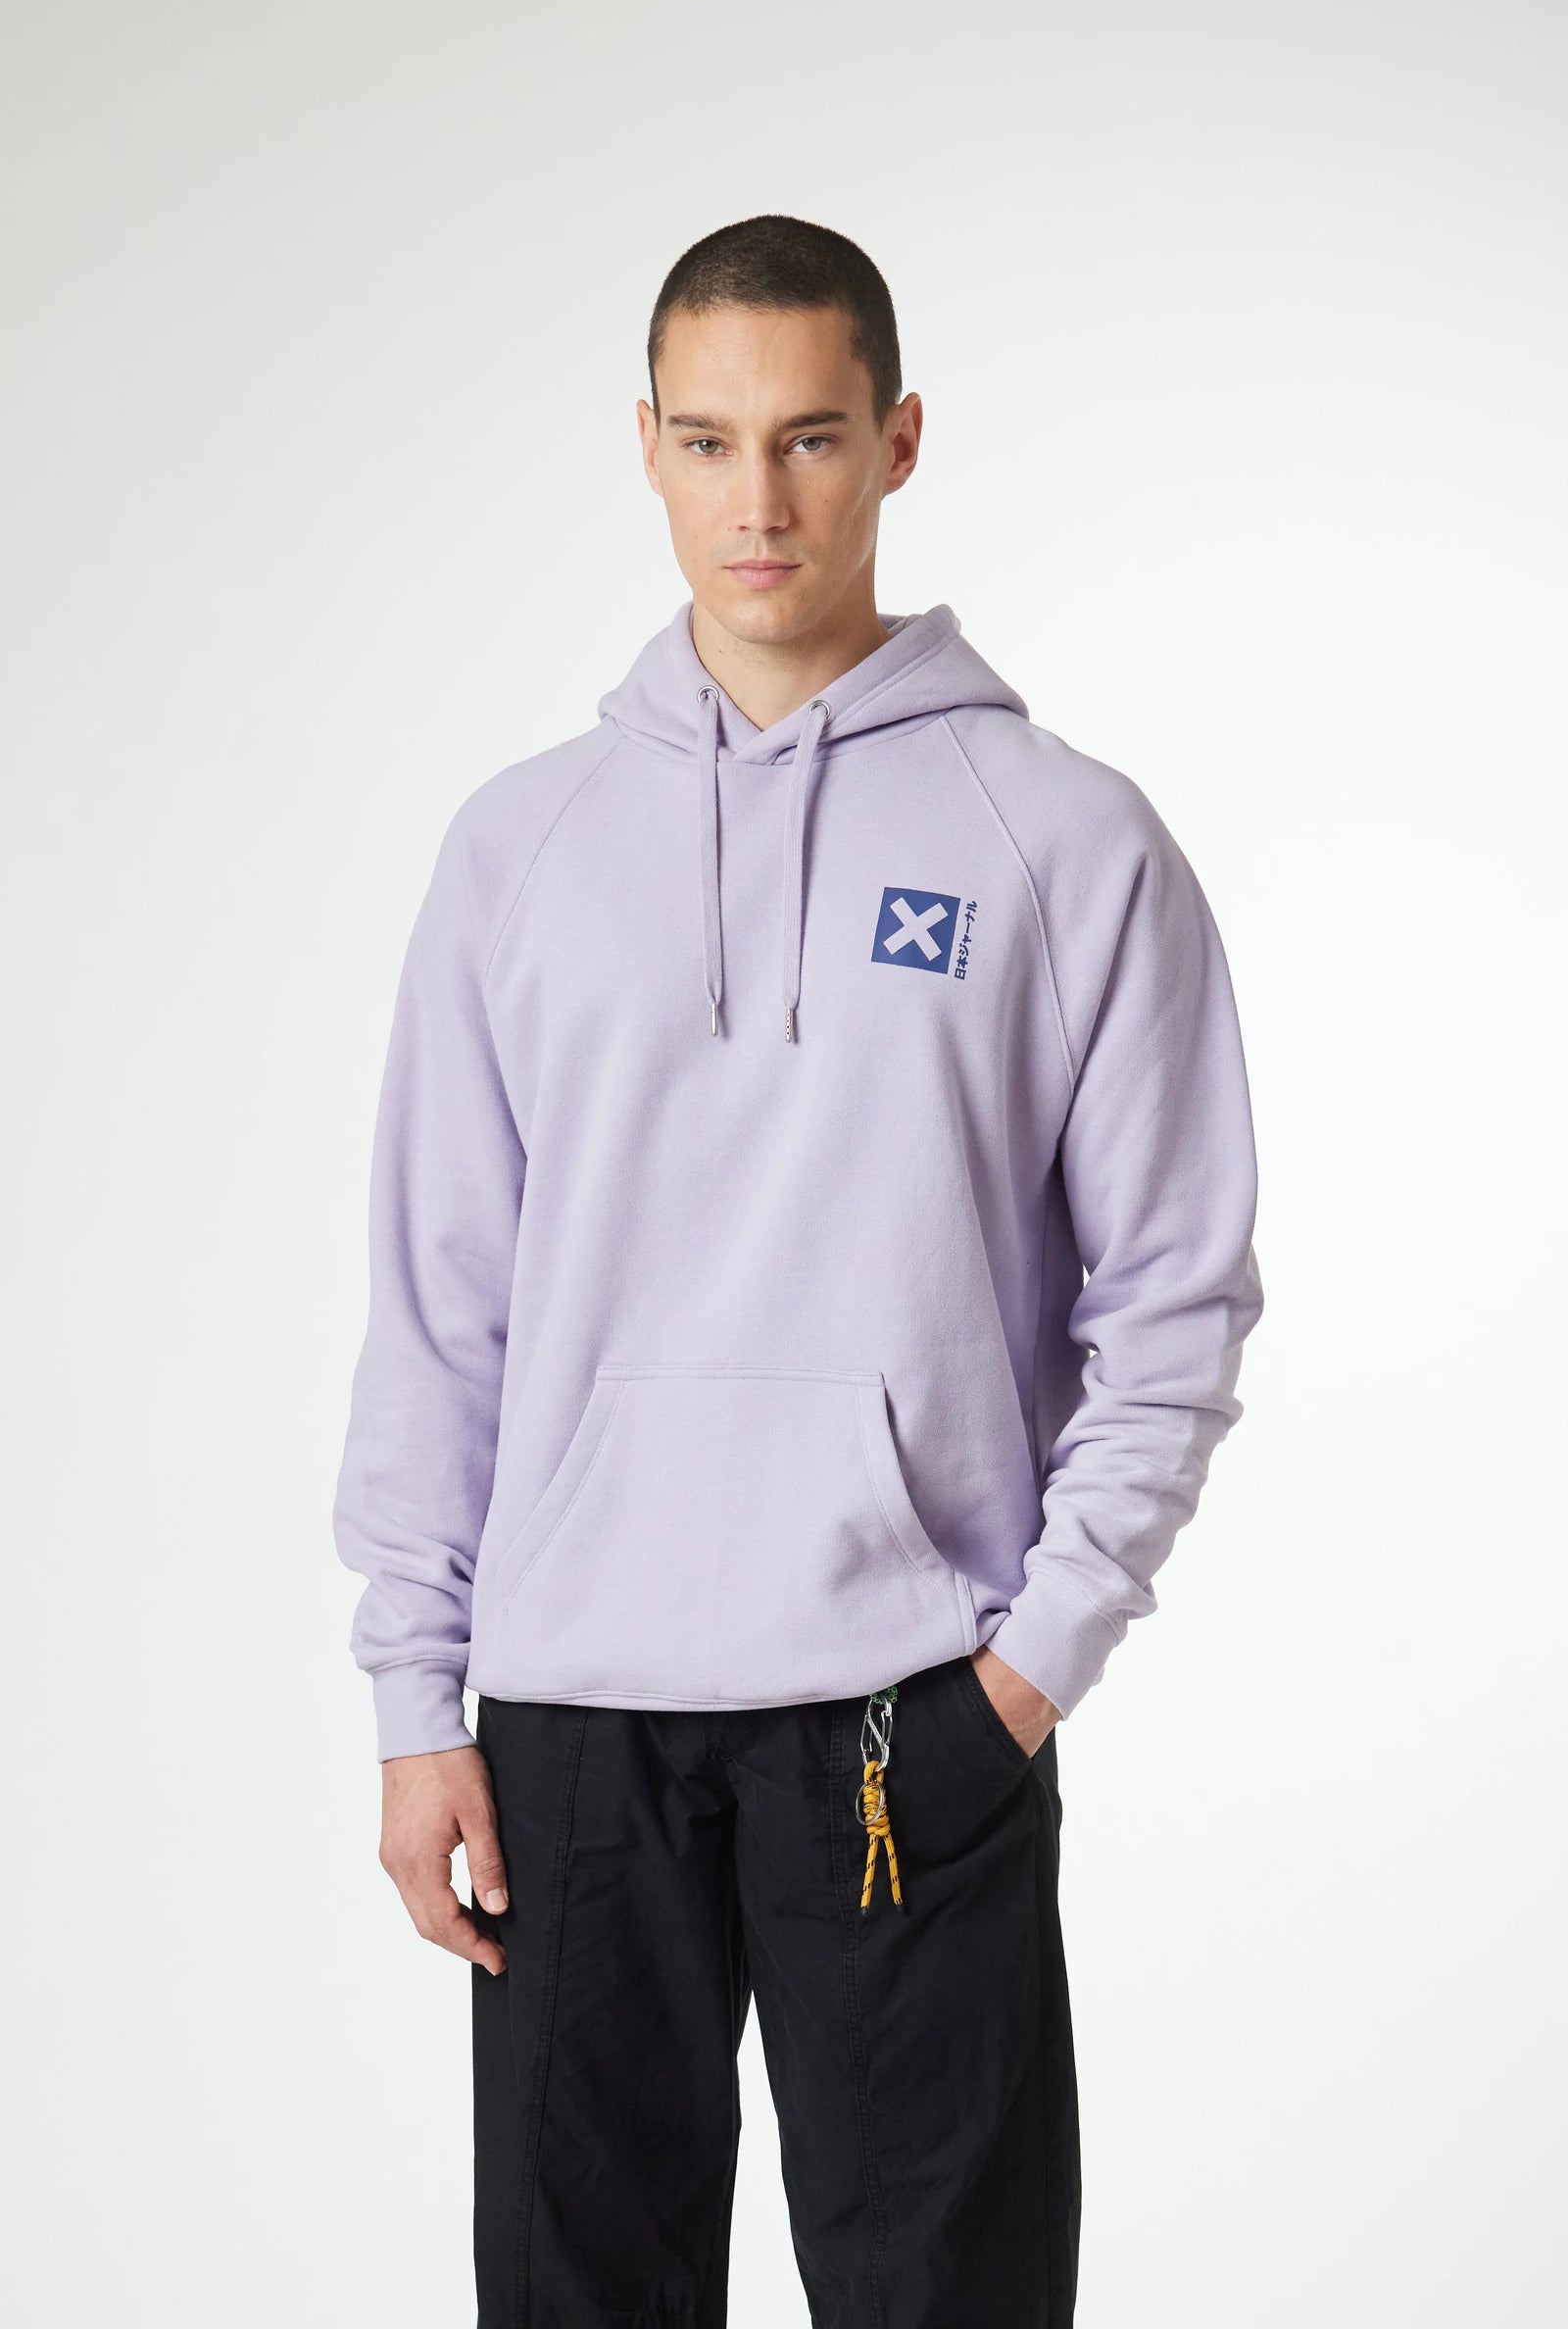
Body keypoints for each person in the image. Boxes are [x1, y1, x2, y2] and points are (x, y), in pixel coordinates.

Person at [332, 212, 1263, 2328]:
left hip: (907, 1715)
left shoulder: (1062, 838)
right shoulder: (518, 850)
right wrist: (412, 1698)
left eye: (812, 438)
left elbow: (1176, 1297)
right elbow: (440, 1303)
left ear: (898, 442)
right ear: (646, 448)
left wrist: (1026, 1671)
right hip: (572, 1725)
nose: (758, 500)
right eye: (709, 440)